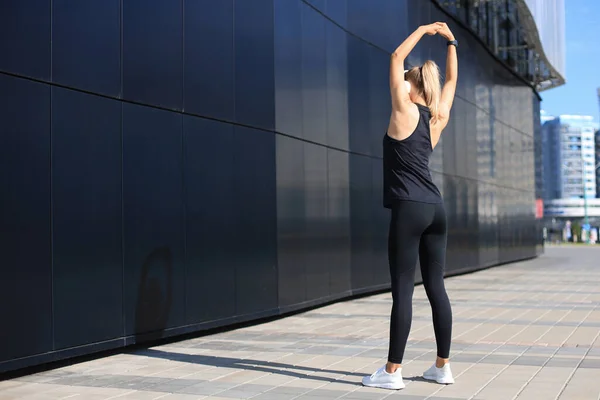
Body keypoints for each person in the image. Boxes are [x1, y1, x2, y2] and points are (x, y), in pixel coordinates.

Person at [362, 22, 458, 390]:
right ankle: (442, 367)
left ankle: (391, 372)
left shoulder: (403, 110)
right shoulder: (438, 116)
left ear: (412, 86)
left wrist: (423, 29)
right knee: (437, 288)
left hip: (410, 208)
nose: (400, 79)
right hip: (437, 208)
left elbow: (396, 55)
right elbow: (449, 82)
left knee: (403, 289)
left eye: (405, 79)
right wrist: (450, 40)